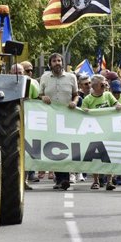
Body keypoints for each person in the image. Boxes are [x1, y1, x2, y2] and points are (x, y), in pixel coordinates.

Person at [39, 53, 78, 191]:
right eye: (54, 61)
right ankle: (59, 178)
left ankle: (65, 178)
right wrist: (43, 97)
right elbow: (40, 94)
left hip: (67, 118)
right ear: (50, 64)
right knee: (54, 147)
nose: (57, 63)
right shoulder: (44, 77)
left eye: (59, 60)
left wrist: (74, 102)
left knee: (65, 147)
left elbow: (76, 94)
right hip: (50, 118)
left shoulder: (71, 77)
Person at [82, 74, 121, 191]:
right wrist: (85, 111)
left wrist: (118, 106)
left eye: (105, 83)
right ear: (95, 86)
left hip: (108, 131)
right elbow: (82, 114)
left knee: (109, 156)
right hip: (94, 132)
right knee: (95, 157)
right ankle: (96, 181)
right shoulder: (87, 99)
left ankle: (109, 181)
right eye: (102, 84)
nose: (105, 85)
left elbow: (116, 104)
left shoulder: (108, 95)